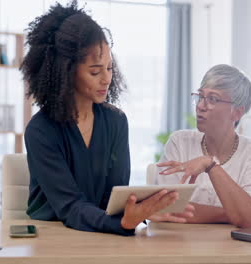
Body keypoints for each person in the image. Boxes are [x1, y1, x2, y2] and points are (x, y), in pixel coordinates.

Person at [21, 1, 187, 236]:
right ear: (66, 72)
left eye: (110, 69)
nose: (106, 79)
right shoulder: (41, 130)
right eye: (95, 71)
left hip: (100, 232)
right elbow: (69, 206)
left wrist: (140, 211)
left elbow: (114, 196)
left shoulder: (116, 121)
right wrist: (122, 223)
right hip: (52, 234)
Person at [156, 64, 251, 228]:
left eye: (212, 99)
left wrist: (210, 164)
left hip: (235, 250)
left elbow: (248, 219)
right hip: (180, 246)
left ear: (237, 112)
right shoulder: (180, 142)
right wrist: (230, 213)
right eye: (200, 96)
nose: (200, 106)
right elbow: (164, 207)